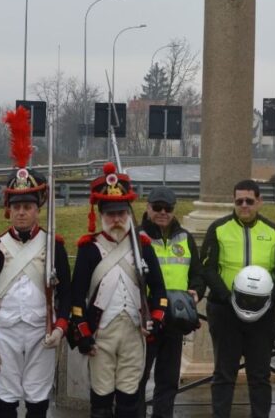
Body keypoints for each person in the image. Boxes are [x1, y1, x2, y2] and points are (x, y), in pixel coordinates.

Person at [0, 106, 71, 418]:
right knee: (5, 399)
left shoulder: (53, 244)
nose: (22, 212)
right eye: (17, 206)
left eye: (28, 206)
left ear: (37, 208)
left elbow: (66, 292)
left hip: (40, 331)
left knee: (37, 399)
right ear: (9, 208)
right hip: (4, 330)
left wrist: (60, 327)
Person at [69, 163, 169, 418]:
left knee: (129, 398)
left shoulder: (142, 246)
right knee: (101, 400)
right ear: (102, 214)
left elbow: (158, 289)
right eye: (111, 214)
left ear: (128, 213)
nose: (116, 219)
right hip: (101, 332)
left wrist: (156, 319)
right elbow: (76, 295)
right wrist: (82, 332)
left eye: (121, 213)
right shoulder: (89, 248)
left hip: (134, 331)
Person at [199, 178, 275, 418]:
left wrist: (269, 300)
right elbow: (207, 269)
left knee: (260, 375)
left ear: (259, 201)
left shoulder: (274, 232)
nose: (244, 205)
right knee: (224, 374)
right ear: (233, 202)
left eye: (250, 200)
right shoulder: (218, 229)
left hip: (263, 315)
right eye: (239, 201)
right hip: (225, 311)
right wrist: (228, 298)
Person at [136, 186, 204, 418]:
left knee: (168, 380)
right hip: (146, 318)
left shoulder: (184, 237)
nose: (163, 212)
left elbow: (197, 273)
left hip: (175, 318)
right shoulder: (137, 238)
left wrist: (196, 291)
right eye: (157, 208)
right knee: (138, 378)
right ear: (148, 207)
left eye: (168, 208)